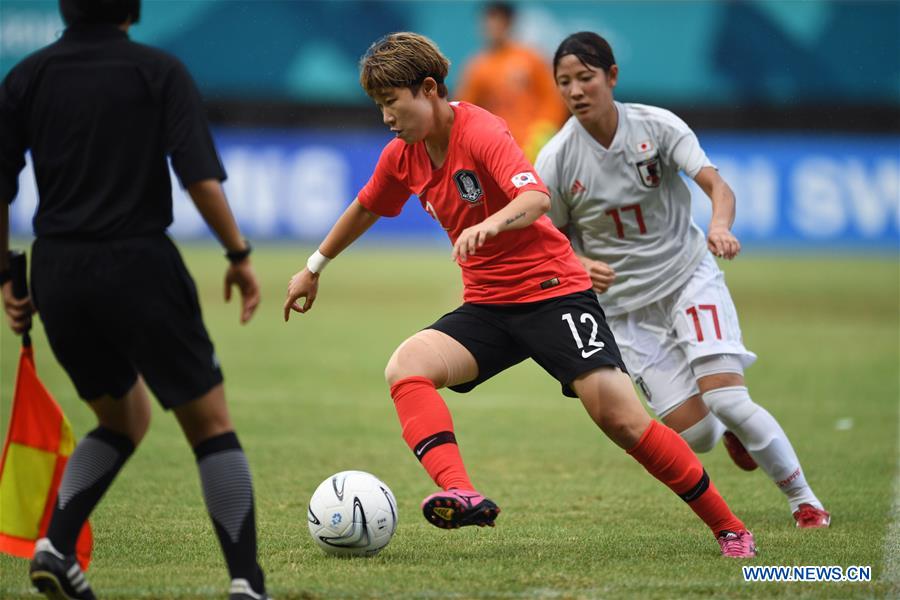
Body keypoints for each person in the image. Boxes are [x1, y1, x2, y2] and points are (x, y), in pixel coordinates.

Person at [284, 31, 757, 557]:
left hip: (554, 293)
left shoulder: (481, 128)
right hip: (489, 306)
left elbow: (533, 196)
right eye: (379, 108)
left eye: (392, 104)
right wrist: (314, 267)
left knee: (621, 420)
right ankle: (459, 490)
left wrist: (490, 225)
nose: (387, 118)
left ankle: (729, 527)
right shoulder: (403, 156)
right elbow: (366, 206)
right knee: (407, 367)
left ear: (428, 88)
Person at [0, 1, 270, 598]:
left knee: (123, 418)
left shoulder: (27, 75)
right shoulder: (158, 70)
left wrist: (6, 277)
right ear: (133, 7)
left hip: (59, 270)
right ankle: (247, 584)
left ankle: (56, 546)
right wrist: (237, 253)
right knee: (210, 426)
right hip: (139, 263)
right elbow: (198, 175)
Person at [535, 31, 830, 529]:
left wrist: (718, 225)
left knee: (728, 398)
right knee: (699, 436)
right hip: (625, 312)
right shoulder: (558, 159)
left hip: (686, 277)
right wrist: (578, 264)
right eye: (565, 82)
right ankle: (733, 431)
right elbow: (546, 237)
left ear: (611, 76)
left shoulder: (657, 126)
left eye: (585, 78)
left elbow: (716, 185)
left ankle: (805, 501)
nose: (576, 91)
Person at [456, 2, 567, 161]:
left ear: (509, 24)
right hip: (497, 150)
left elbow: (553, 98)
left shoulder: (531, 58)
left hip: (534, 148)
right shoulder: (476, 68)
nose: (492, 26)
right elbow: (465, 112)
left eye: (498, 21)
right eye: (488, 21)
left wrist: (543, 130)